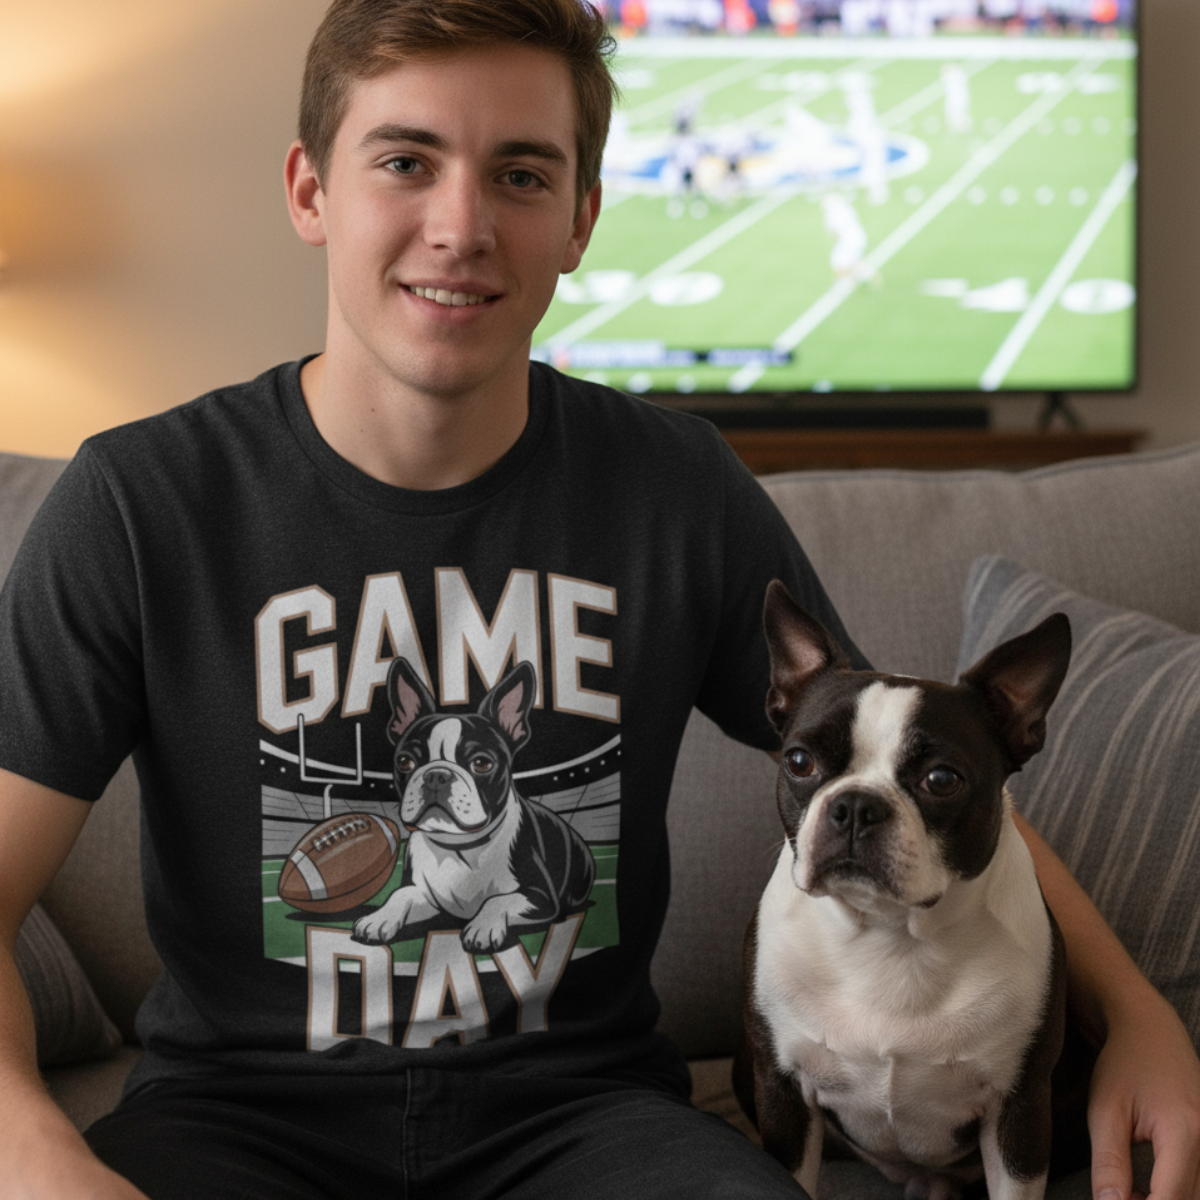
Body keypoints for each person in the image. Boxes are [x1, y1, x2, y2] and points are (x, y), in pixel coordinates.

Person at [0, 1, 1196, 1198]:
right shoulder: (139, 503)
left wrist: (1134, 1014)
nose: (461, 227)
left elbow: (919, 763)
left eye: (520, 175)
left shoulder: (676, 489)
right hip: (238, 1117)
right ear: (312, 191)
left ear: (579, 219)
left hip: (579, 1119)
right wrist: (35, 1154)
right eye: (406, 161)